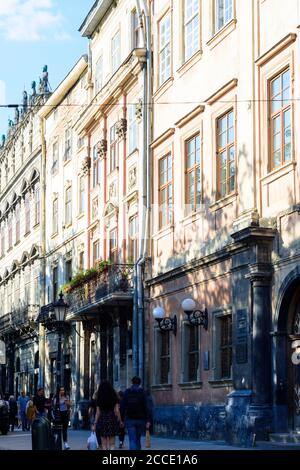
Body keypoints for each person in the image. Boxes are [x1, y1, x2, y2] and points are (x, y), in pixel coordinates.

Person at [120, 376, 151, 450]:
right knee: (138, 439)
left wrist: (121, 419)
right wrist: (148, 420)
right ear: (140, 383)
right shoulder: (143, 392)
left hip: (130, 419)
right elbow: (147, 407)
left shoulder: (127, 392)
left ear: (132, 382)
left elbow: (122, 407)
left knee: (132, 439)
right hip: (141, 420)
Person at [93, 381, 121, 450]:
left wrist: (95, 423)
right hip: (112, 419)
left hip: (102, 420)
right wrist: (120, 420)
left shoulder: (99, 398)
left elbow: (98, 413)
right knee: (112, 443)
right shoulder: (114, 397)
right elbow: (117, 411)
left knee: (104, 443)